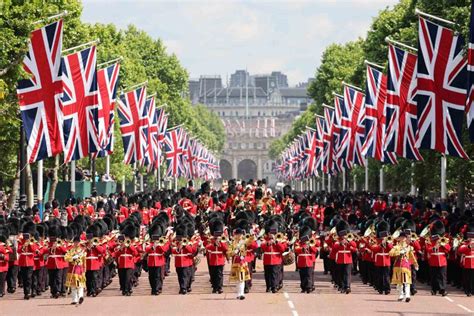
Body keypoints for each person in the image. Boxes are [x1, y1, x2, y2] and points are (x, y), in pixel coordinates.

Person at [389, 230, 418, 302]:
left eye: (404, 237)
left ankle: (407, 295)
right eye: (401, 237)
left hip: (405, 265)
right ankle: (401, 295)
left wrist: (415, 264)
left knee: (407, 281)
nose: (403, 239)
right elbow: (390, 253)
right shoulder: (396, 247)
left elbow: (412, 257)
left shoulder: (409, 247)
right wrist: (399, 252)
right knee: (399, 282)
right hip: (398, 265)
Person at [294, 226, 319, 293]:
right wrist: (302, 249)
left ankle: (309, 287)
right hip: (301, 261)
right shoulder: (298, 242)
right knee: (302, 275)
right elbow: (296, 249)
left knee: (308, 275)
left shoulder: (311, 241)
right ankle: (303, 287)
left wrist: (310, 246)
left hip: (309, 261)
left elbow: (315, 251)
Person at [229, 228, 250, 300]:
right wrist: (233, 252)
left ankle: (241, 293)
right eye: (238, 234)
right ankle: (239, 293)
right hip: (236, 261)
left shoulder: (244, 242)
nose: (240, 236)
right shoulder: (232, 243)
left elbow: (253, 243)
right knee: (237, 279)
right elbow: (229, 253)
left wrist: (252, 234)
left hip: (243, 262)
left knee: (242, 278)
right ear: (236, 235)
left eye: (241, 234)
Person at [64, 236, 86, 305]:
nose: (76, 243)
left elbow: (84, 260)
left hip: (79, 268)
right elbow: (66, 258)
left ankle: (80, 297)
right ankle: (74, 299)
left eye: (77, 242)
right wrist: (72, 258)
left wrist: (84, 269)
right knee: (73, 285)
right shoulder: (71, 250)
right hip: (72, 269)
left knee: (80, 284)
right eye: (75, 242)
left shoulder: (82, 250)